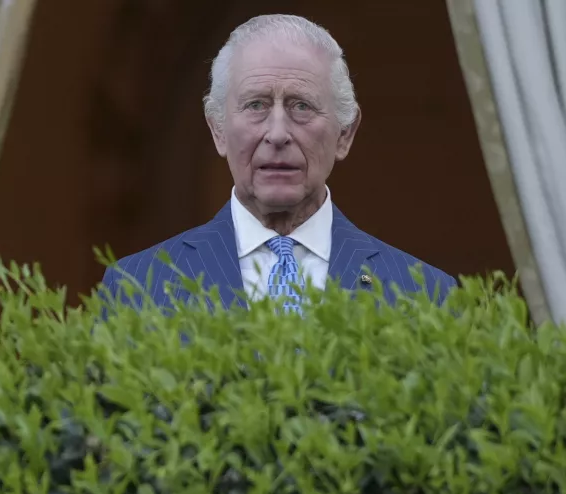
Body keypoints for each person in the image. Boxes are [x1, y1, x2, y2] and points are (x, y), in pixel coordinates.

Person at [101, 14, 456, 311]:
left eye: (301, 105)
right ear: (218, 130)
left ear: (345, 133)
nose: (277, 133)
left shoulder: (424, 295)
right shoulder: (137, 288)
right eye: (256, 105)